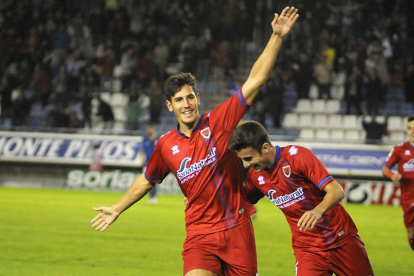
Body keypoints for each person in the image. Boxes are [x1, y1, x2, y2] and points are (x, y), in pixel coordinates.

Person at [91, 6, 299, 276]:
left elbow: (256, 80)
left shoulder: (220, 121)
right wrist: (117, 209)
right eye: (179, 100)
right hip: (200, 236)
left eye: (190, 97)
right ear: (169, 106)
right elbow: (147, 179)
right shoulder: (165, 145)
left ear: (198, 99)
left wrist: (277, 37)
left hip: (237, 230)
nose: (186, 104)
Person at [228, 121, 375, 276]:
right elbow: (240, 201)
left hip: (342, 240)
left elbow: (336, 191)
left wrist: (317, 211)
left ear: (265, 148)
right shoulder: (255, 176)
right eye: (242, 159)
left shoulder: (297, 157)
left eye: (249, 158)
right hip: (308, 250)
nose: (245, 165)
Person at [382, 115, 414, 252]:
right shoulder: (399, 149)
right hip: (408, 198)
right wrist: (392, 175)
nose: (412, 131)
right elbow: (385, 168)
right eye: (409, 128)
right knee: (412, 235)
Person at [141, 123, 159, 204]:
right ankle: (151, 197)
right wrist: (142, 158)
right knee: (147, 181)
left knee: (153, 181)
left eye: (150, 128)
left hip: (155, 163)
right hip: (147, 163)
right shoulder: (145, 138)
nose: (148, 130)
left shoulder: (157, 138)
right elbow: (142, 149)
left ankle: (154, 197)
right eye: (147, 129)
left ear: (153, 129)